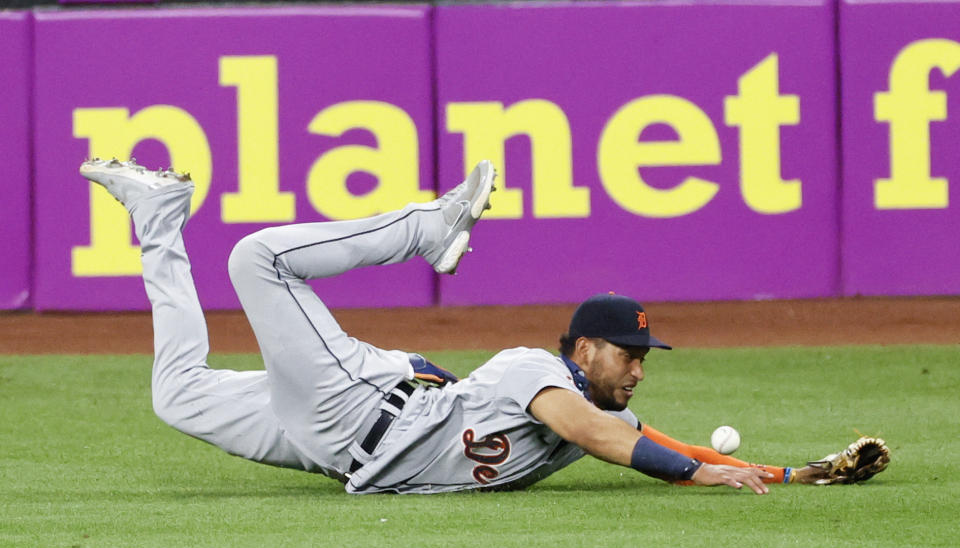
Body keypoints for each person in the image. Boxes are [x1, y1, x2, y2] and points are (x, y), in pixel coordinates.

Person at [79, 158, 886, 495]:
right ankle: (424, 229)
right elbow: (613, 441)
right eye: (627, 352)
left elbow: (666, 441)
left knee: (175, 394)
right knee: (258, 260)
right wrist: (697, 479)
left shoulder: (595, 409)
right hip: (355, 409)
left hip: (336, 448)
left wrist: (796, 474)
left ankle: (156, 215)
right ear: (580, 350)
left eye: (646, 354)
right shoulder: (534, 372)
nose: (639, 367)